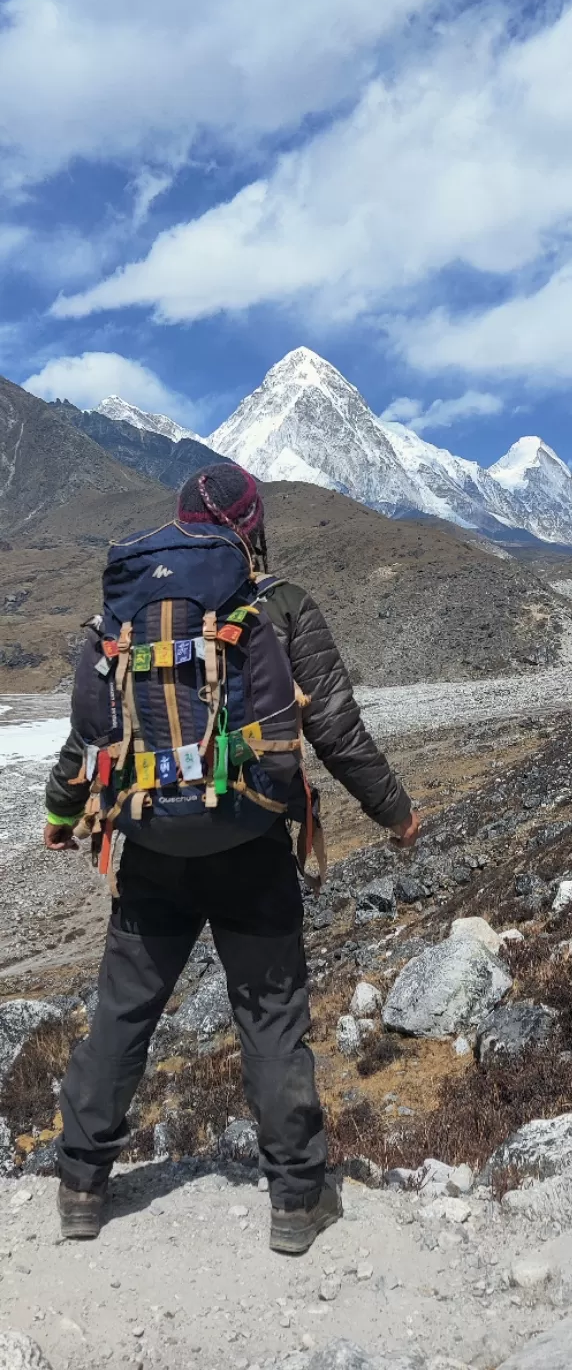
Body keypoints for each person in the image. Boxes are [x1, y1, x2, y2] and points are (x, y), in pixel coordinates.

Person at [45, 461, 419, 1253]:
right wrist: (395, 813)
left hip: (147, 841)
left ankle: (80, 1187)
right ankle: (294, 1200)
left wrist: (60, 811)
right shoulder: (278, 604)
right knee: (271, 1015)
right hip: (250, 841)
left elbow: (89, 733)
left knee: (124, 1010)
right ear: (251, 525)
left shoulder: (130, 611)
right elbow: (337, 731)